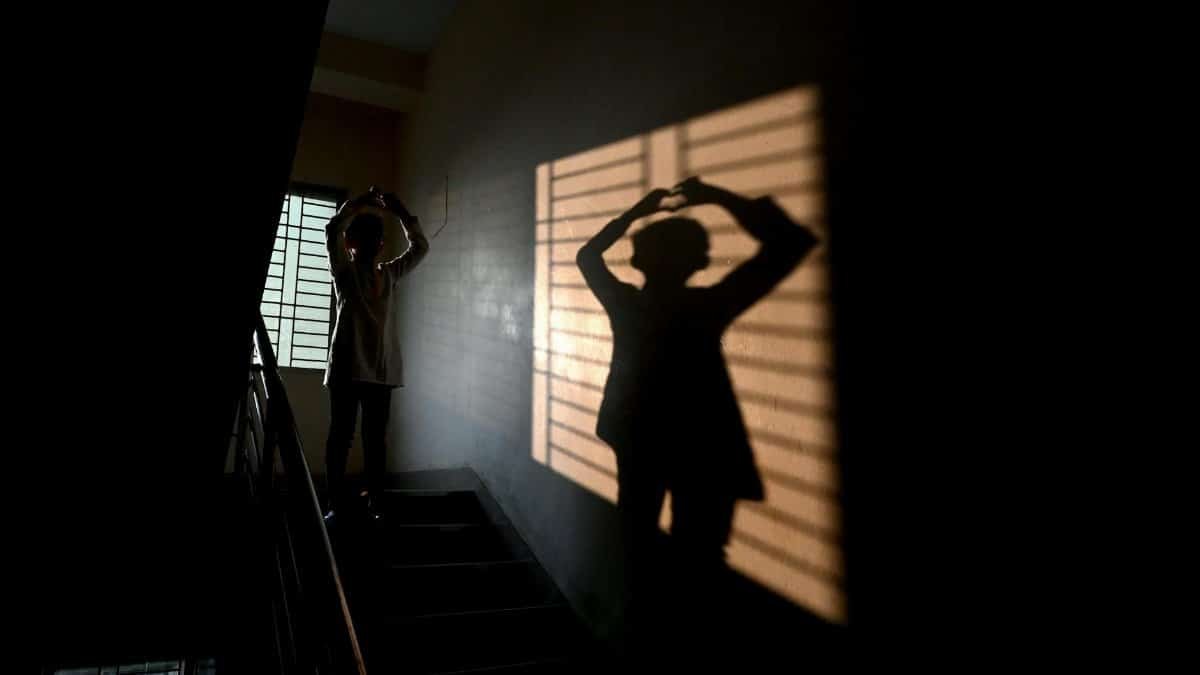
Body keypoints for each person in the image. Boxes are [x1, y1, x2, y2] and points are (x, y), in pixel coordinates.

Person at [576, 176, 818, 596]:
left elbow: (587, 256)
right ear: (701, 262)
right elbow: (789, 242)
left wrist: (637, 212)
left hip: (639, 435)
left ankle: (637, 633)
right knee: (699, 559)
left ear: (636, 261)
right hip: (704, 444)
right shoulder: (708, 306)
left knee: (636, 546)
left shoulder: (628, 306)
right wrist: (715, 195)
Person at [323, 186, 429, 522]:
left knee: (372, 441)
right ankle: (335, 503)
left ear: (381, 246)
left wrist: (400, 213)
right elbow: (332, 229)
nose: (373, 244)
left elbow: (421, 247)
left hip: (380, 373)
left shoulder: (389, 274)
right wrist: (360, 204)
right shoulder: (344, 272)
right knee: (342, 437)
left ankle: (374, 503)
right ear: (351, 245)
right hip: (348, 369)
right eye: (364, 238)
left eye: (376, 239)